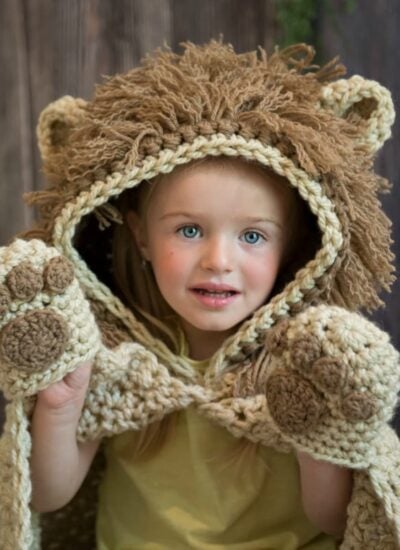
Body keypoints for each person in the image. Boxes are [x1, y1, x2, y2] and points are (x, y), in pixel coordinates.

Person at [0, 40, 399, 550]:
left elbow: (332, 519)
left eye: (252, 236)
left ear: (294, 250)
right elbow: (51, 495)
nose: (218, 260)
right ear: (142, 236)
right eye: (188, 231)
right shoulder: (117, 357)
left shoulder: (303, 364)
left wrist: (319, 431)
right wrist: (60, 400)